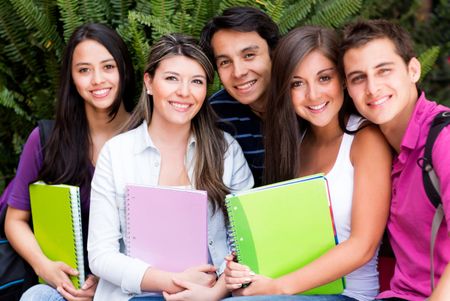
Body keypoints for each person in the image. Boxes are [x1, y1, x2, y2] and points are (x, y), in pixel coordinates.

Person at [223, 26, 392, 301]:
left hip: (349, 295)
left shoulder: (366, 139)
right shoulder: (294, 142)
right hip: (292, 292)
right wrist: (242, 269)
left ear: (344, 80)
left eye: (324, 78)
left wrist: (279, 287)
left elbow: (363, 245)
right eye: (297, 83)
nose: (313, 95)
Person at [87, 33, 254, 301]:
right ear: (149, 82)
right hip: (134, 297)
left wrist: (218, 291)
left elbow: (246, 243)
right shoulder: (116, 154)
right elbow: (100, 254)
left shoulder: (226, 151)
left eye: (196, 82)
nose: (184, 92)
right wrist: (173, 281)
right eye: (172, 78)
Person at [4, 23, 135, 301]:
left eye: (108, 67)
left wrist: (109, 280)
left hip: (130, 284)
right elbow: (15, 220)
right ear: (72, 79)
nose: (97, 79)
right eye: (84, 70)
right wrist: (45, 267)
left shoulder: (151, 136)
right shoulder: (47, 139)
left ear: (124, 69)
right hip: (65, 284)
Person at [341, 19, 450, 301]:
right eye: (358, 78)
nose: (372, 87)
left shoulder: (443, 139)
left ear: (413, 70)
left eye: (384, 71)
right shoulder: (375, 147)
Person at [199, 6, 280, 187]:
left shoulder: (304, 102)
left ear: (273, 54)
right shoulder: (215, 113)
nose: (239, 72)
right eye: (225, 62)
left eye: (249, 55)